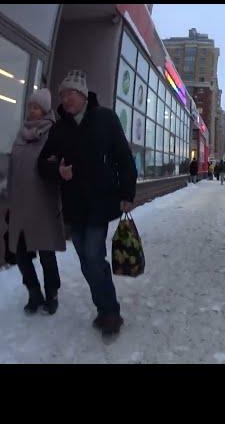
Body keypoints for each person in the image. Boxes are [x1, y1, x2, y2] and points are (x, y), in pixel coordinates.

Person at [38, 70, 137, 337]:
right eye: (61, 94)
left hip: (100, 202)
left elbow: (124, 159)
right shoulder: (60, 128)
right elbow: (43, 162)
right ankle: (103, 307)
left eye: (70, 93)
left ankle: (110, 313)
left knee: (93, 256)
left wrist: (127, 193)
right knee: (86, 260)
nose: (65, 98)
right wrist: (57, 171)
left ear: (82, 95)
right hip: (73, 205)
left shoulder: (105, 118)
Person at [7, 89, 66, 315]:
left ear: (45, 110)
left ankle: (52, 294)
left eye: (36, 107)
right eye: (30, 106)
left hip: (43, 203)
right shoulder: (21, 134)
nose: (32, 111)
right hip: (20, 204)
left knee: (46, 253)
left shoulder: (53, 134)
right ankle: (33, 292)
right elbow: (12, 165)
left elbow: (57, 166)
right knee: (21, 254)